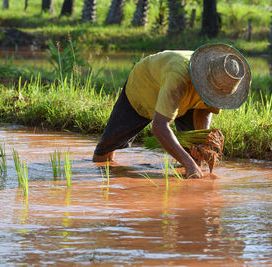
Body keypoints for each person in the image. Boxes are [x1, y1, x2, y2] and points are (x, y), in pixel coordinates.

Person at [92, 43, 251, 178]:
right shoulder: (178, 76)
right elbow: (159, 127)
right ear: (205, 82)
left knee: (194, 157)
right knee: (104, 152)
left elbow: (205, 110)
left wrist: (201, 142)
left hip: (185, 100)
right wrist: (188, 164)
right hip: (144, 89)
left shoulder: (220, 83)